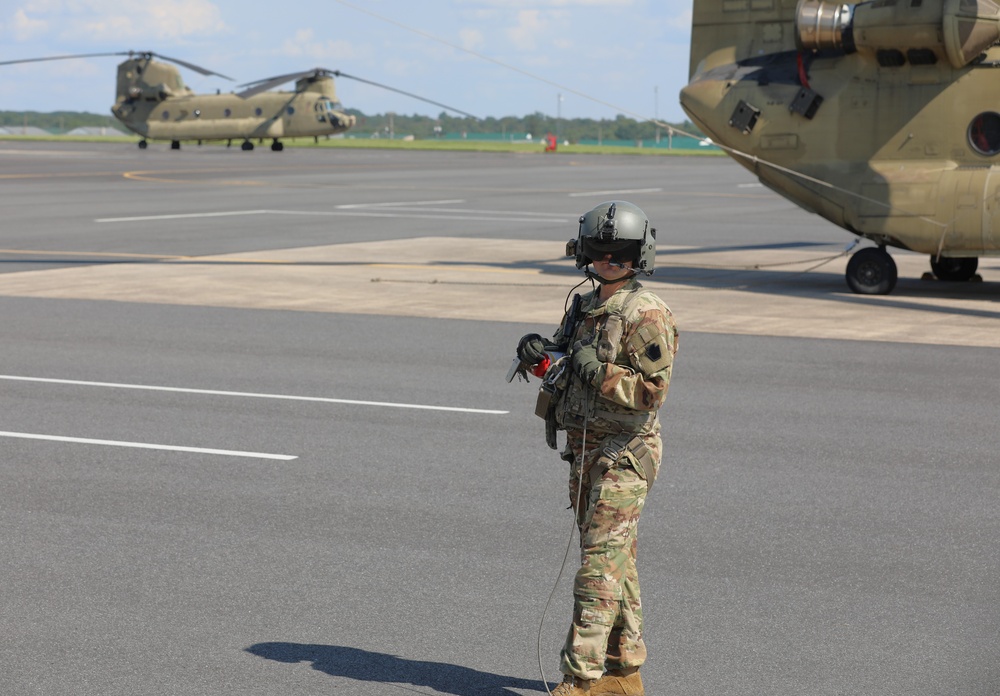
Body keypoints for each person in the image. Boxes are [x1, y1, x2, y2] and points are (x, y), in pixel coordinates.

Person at [515, 201, 678, 696]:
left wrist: (593, 370)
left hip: (624, 454)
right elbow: (567, 357)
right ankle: (623, 670)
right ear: (585, 253)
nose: (610, 260)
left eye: (621, 253)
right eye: (600, 251)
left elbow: (652, 392)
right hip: (585, 449)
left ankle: (581, 681)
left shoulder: (647, 313)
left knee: (597, 571)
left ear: (639, 256)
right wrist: (541, 352)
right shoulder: (584, 307)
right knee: (613, 560)